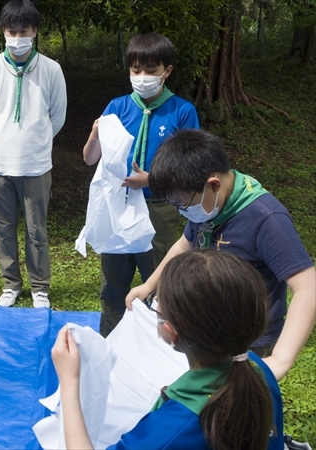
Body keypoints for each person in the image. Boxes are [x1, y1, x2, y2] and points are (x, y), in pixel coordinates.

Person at [126, 128, 316, 380]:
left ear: (213, 184)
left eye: (183, 204)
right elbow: (185, 244)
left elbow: (307, 287)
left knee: (240, 410)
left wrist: (280, 360)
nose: (182, 211)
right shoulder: (208, 203)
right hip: (209, 332)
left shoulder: (266, 219)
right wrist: (149, 285)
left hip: (248, 341)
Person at [52, 250, 284, 450]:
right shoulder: (257, 370)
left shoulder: (172, 431)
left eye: (157, 303)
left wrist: (70, 382)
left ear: (171, 331)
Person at [82, 32, 199, 337]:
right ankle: (110, 343)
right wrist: (95, 135)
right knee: (113, 285)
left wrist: (152, 179)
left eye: (151, 71)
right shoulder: (118, 107)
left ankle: (159, 349)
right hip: (119, 209)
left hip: (159, 207)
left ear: (167, 71)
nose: (142, 77)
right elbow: (89, 158)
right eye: (136, 71)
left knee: (160, 283)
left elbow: (190, 169)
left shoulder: (182, 111)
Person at [0, 0, 67, 308]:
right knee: (3, 230)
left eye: (23, 31)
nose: (17, 38)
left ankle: (40, 286)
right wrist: (6, 139)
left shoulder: (51, 70)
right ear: (3, 31)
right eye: (11, 31)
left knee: (37, 229)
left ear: (35, 31)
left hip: (36, 164)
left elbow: (58, 116)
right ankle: (10, 283)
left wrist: (35, 141)